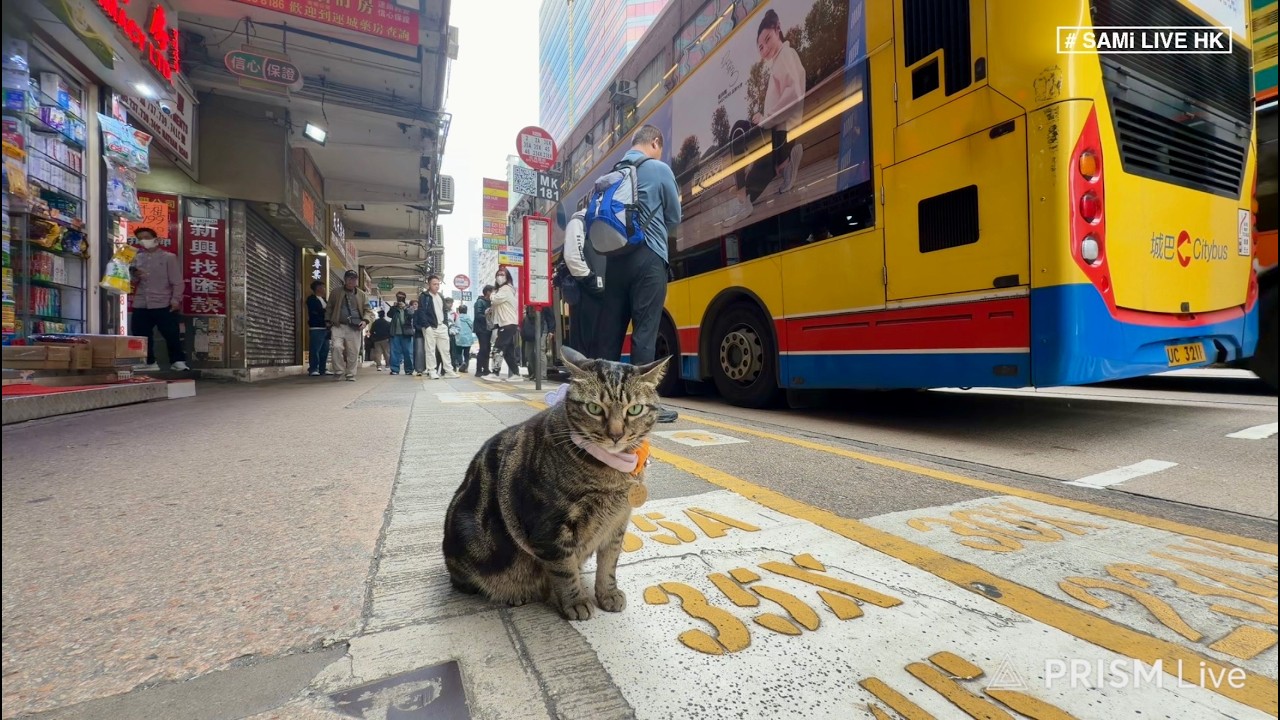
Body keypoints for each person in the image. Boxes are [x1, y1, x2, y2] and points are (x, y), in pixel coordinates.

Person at [597, 125, 681, 422]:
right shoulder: (658, 169)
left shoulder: (614, 173)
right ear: (655, 142)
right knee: (644, 333)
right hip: (649, 257)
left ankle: (598, 403)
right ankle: (641, 407)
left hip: (614, 259)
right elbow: (674, 216)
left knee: (610, 335)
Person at [726, 9, 807, 224]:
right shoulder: (779, 61)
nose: (765, 48)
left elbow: (794, 93)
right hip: (777, 135)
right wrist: (763, 116)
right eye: (760, 46)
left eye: (768, 39)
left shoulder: (785, 55)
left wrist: (765, 118)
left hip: (778, 134)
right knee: (753, 186)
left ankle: (781, 164)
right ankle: (784, 164)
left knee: (738, 131)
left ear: (778, 29)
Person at [128, 226, 188, 372]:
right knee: (141, 334)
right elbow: (132, 281)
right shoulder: (136, 258)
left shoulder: (168, 257)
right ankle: (148, 361)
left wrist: (175, 300)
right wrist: (135, 275)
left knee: (171, 333)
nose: (144, 241)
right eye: (140, 239)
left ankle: (178, 361)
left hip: (163, 302)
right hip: (141, 302)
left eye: (147, 238)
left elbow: (177, 282)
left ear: (156, 239)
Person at [562, 196, 606, 358]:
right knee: (584, 348)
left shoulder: (601, 223)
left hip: (600, 292)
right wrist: (590, 280)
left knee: (597, 346)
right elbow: (573, 256)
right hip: (586, 292)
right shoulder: (579, 221)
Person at [326, 270, 374, 381]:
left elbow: (368, 310)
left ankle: (350, 373)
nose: (351, 281)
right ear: (345, 279)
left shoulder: (361, 294)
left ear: (357, 280)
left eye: (354, 278)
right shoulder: (336, 292)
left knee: (353, 351)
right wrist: (328, 321)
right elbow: (329, 307)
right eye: (349, 278)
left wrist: (365, 321)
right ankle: (338, 370)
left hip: (354, 327)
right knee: (336, 347)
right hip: (338, 325)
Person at [415, 275, 459, 379]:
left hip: (441, 326)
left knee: (445, 350)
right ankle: (432, 371)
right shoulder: (424, 296)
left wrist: (445, 325)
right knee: (430, 350)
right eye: (434, 284)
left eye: (438, 284)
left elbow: (444, 311)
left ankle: (448, 371)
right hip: (430, 327)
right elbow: (421, 312)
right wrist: (427, 326)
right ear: (429, 285)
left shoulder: (440, 296)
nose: (437, 286)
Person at [485, 268, 521, 382]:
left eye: (502, 274)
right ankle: (516, 374)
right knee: (508, 351)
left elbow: (495, 300)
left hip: (507, 323)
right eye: (498, 274)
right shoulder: (504, 289)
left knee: (498, 347)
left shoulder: (506, 288)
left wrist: (493, 293)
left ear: (507, 277)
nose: (500, 276)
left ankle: (495, 373)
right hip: (507, 323)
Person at [387, 291, 415, 376]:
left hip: (406, 333)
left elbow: (412, 315)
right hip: (395, 333)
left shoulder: (409, 307)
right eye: (398, 297)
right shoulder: (394, 307)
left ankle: (409, 369)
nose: (400, 299)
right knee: (394, 352)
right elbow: (389, 315)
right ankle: (395, 369)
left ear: (405, 298)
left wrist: (405, 308)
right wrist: (394, 307)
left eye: (402, 297)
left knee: (408, 352)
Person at [305, 280, 330, 376]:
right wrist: (325, 314)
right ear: (317, 288)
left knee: (325, 349)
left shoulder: (324, 300)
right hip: (316, 327)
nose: (324, 289)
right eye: (322, 287)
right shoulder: (311, 299)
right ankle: (313, 368)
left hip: (326, 328)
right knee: (315, 349)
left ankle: (323, 369)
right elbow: (316, 312)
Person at [473, 285, 494, 377]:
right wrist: (488, 317)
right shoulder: (480, 302)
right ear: (488, 292)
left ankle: (486, 369)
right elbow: (478, 315)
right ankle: (478, 370)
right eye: (492, 291)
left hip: (488, 329)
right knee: (483, 348)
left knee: (487, 349)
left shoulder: (491, 302)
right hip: (481, 329)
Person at [452, 304, 475, 371]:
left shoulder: (457, 317)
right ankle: (466, 367)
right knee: (466, 354)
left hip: (459, 338)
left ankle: (461, 363)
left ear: (459, 310)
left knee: (458, 353)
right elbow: (472, 326)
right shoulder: (468, 318)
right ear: (466, 310)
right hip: (467, 339)